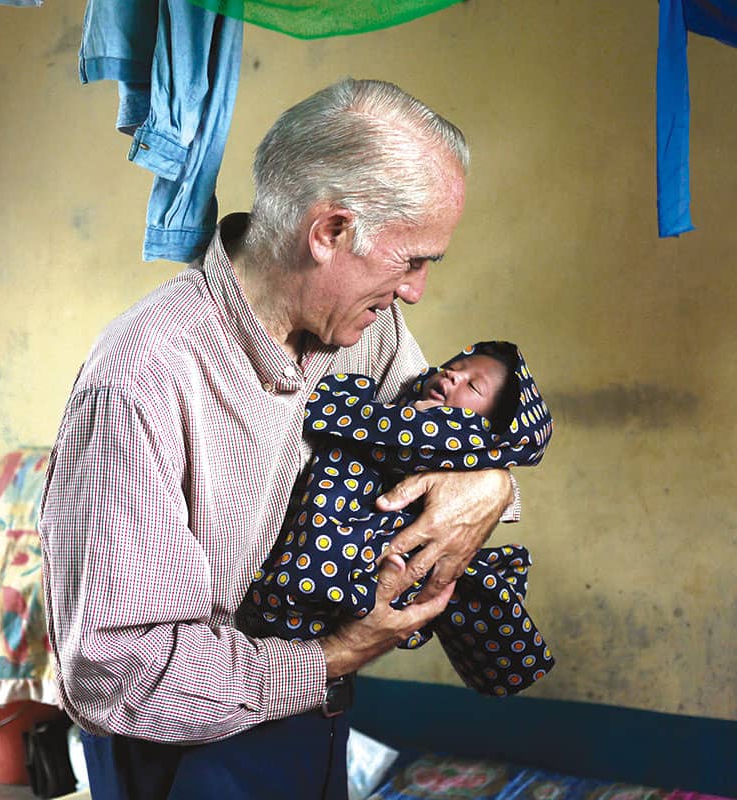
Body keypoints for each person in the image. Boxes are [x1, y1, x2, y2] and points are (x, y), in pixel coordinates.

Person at [39, 78, 520, 799]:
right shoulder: (141, 380)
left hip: (311, 714)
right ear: (327, 232)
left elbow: (447, 448)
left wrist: (493, 483)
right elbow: (118, 670)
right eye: (411, 260)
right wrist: (338, 652)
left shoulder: (369, 330)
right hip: (177, 747)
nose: (417, 290)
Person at [240, 341, 554, 697]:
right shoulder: (411, 402)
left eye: (473, 385)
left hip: (343, 563)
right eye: (456, 365)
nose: (454, 374)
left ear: (493, 430)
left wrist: (338, 401)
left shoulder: (451, 433)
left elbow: (372, 429)